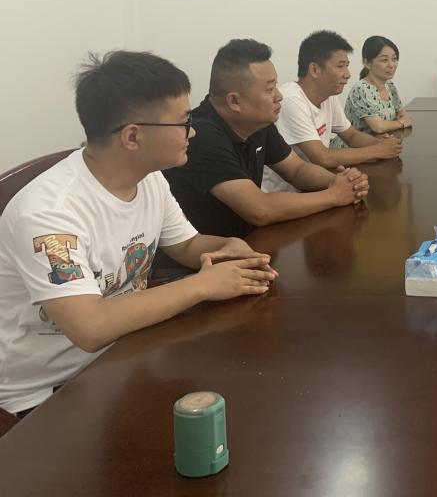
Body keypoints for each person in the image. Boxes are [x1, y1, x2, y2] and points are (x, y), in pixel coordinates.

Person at [0, 51, 278, 417]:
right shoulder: (48, 214)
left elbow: (187, 244)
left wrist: (229, 247)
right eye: (183, 122)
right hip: (46, 393)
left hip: (123, 354)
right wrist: (203, 285)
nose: (193, 132)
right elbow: (90, 327)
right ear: (133, 136)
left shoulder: (148, 179)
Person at [164, 39, 369, 238]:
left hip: (249, 241)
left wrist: (339, 182)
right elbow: (260, 210)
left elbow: (297, 170)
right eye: (269, 89)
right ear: (234, 101)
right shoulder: (202, 136)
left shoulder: (257, 123)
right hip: (209, 254)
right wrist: (334, 195)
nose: (279, 96)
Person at [263, 31, 402, 193]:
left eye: (347, 65)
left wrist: (382, 144)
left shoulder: (328, 95)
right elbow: (322, 157)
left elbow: (352, 136)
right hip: (286, 194)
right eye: (340, 66)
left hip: (316, 186)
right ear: (315, 69)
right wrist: (378, 151)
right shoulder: (290, 99)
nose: (348, 74)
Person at [345, 35, 413, 134]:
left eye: (394, 59)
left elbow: (403, 115)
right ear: (366, 63)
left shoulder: (390, 86)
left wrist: (400, 121)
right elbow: (378, 127)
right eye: (384, 60)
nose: (391, 65)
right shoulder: (361, 89)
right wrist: (401, 123)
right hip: (355, 143)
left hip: (380, 140)